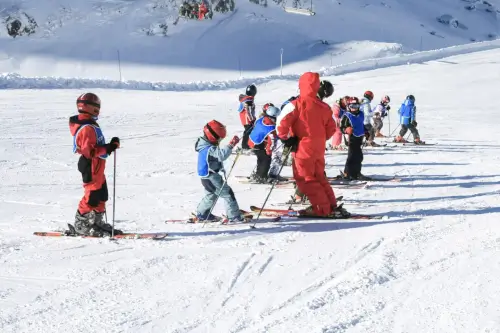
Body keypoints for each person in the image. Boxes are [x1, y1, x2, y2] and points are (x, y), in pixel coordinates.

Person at [277, 73, 349, 217]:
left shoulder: (296, 104)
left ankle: (322, 209)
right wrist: (319, 138)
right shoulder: (324, 107)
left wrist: (287, 139)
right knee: (319, 177)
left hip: (302, 148)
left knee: (305, 179)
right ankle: (331, 205)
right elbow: (331, 129)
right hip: (318, 149)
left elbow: (280, 123)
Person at [70, 93, 122, 237]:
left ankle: (96, 222)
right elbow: (89, 151)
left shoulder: (89, 123)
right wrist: (108, 148)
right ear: (92, 108)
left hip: (97, 166)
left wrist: (110, 146)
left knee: (101, 195)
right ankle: (82, 224)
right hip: (91, 165)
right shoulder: (87, 127)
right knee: (91, 196)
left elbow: (95, 146)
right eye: (97, 106)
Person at [194, 120, 248, 222]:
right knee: (228, 194)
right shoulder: (209, 148)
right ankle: (234, 216)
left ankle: (203, 214)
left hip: (206, 177)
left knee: (211, 195)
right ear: (213, 136)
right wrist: (231, 145)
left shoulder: (203, 146)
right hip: (212, 177)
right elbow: (221, 155)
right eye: (219, 138)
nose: (219, 141)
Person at [248, 104, 286, 183]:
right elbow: (271, 141)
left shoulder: (262, 119)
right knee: (266, 160)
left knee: (260, 159)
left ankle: (259, 174)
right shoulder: (270, 129)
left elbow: (256, 126)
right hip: (258, 144)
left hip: (252, 141)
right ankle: (262, 176)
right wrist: (269, 151)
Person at [340, 96, 371, 180]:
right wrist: (346, 130)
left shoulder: (361, 114)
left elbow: (361, 125)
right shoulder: (347, 116)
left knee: (359, 156)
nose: (354, 108)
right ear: (348, 107)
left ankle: (356, 173)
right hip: (351, 138)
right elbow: (341, 127)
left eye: (356, 106)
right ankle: (347, 173)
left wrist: (366, 132)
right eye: (352, 107)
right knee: (352, 156)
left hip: (359, 138)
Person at [237, 84, 257, 150]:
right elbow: (248, 111)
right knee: (248, 131)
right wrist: (252, 120)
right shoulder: (249, 101)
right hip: (247, 120)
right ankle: (245, 146)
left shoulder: (245, 99)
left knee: (248, 131)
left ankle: (247, 144)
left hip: (244, 119)